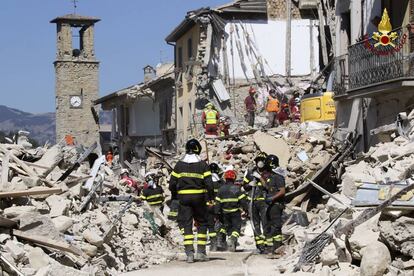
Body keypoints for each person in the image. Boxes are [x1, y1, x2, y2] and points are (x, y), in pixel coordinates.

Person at [169, 139, 213, 263]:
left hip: (184, 198)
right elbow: (209, 185)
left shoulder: (179, 165)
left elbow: (172, 184)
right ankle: (201, 252)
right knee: (202, 223)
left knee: (187, 224)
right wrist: (211, 198)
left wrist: (175, 195)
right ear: (198, 149)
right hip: (199, 198)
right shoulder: (203, 165)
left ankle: (189, 253)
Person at [242, 152, 270, 254]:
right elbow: (243, 187)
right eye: (258, 160)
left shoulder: (268, 173)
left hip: (263, 202)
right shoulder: (250, 173)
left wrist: (260, 178)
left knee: (265, 222)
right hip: (252, 201)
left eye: (262, 160)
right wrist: (249, 184)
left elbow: (268, 187)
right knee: (255, 223)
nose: (260, 163)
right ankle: (260, 245)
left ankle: (267, 245)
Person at [215, 170, 248, 252]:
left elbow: (217, 203)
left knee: (225, 227)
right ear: (234, 178)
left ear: (225, 178)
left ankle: (221, 239)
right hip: (235, 213)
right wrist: (246, 209)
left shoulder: (221, 189)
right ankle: (232, 239)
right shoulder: (237, 189)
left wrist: (217, 213)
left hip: (224, 213)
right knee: (236, 228)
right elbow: (243, 201)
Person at [263, 155, 286, 255]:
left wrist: (272, 198)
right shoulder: (270, 177)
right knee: (269, 225)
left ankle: (277, 247)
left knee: (276, 226)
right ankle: (270, 247)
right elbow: (268, 188)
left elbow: (282, 191)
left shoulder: (278, 177)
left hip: (276, 204)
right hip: (270, 205)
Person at [207, 163, 224, 251]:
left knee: (210, 225)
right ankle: (219, 241)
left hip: (209, 206)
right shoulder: (221, 182)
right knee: (220, 223)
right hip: (219, 206)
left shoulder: (206, 182)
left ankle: (213, 244)